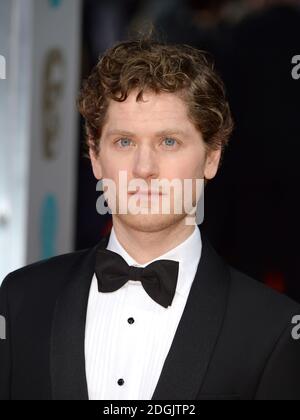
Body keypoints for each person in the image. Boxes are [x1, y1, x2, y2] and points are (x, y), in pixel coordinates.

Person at [0, 37, 300, 401]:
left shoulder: (273, 329)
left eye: (168, 142)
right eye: (125, 142)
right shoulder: (19, 301)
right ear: (95, 155)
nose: (144, 169)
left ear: (211, 157)